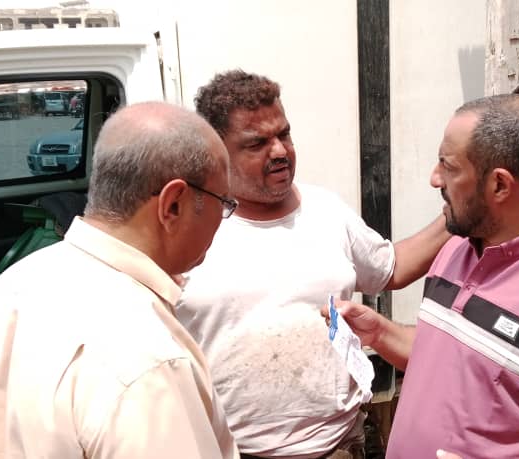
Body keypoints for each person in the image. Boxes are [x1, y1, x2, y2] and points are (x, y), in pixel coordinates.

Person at [178, 69, 450, 459]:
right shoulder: (190, 229)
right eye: (257, 143)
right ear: (217, 153)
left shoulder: (325, 209)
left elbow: (391, 268)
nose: (279, 151)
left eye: (284, 134)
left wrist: (457, 216)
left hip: (342, 446)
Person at [328, 94, 519, 458]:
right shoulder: (454, 249)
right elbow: (451, 361)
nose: (435, 178)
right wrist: (380, 333)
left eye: (448, 166)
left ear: (500, 185)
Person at [0, 102, 238, 458]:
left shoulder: (8, 289)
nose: (223, 218)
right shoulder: (150, 362)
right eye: (224, 202)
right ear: (173, 204)